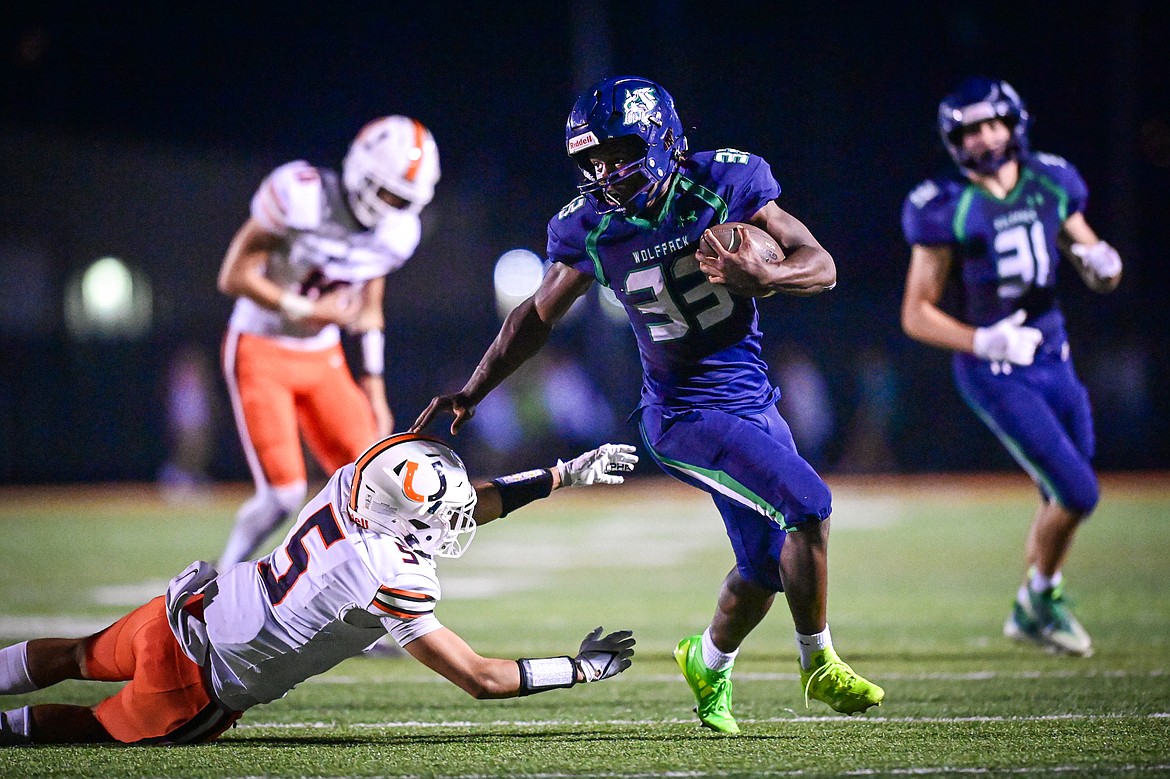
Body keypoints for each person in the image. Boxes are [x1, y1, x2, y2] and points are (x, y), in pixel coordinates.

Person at [413, 75, 884, 735]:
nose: (606, 173)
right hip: (684, 416)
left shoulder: (726, 180)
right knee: (809, 504)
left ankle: (708, 660)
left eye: (618, 152)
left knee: (761, 568)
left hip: (754, 400)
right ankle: (818, 661)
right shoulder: (592, 226)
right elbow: (536, 315)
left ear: (662, 136)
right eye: (592, 162)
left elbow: (821, 264)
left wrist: (771, 275)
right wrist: (476, 385)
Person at [0, 434, 639, 746]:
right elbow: (481, 678)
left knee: (81, 654)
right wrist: (580, 668)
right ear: (398, 519)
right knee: (89, 728)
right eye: (433, 521)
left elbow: (456, 498)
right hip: (198, 690)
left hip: (180, 616)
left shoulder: (353, 478)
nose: (450, 527)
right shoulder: (390, 574)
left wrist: (560, 474)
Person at [900, 77, 1122, 658]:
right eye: (970, 130)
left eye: (991, 124)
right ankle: (1041, 597)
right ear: (955, 140)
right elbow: (916, 314)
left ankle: (1032, 601)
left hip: (1056, 356)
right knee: (1077, 491)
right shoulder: (946, 203)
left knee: (1067, 489)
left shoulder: (1050, 179)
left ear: (1013, 123)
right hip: (995, 369)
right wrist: (982, 342)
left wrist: (1104, 265)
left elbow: (1089, 254)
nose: (983, 138)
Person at [217, 115, 441, 569]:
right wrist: (306, 310)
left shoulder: (397, 232)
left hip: (323, 357)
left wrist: (374, 386)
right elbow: (232, 276)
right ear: (362, 171)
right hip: (260, 348)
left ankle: (364, 604)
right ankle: (215, 585)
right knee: (283, 495)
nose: (393, 205)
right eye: (388, 191)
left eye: (404, 198)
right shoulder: (302, 196)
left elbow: (369, 308)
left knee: (375, 485)